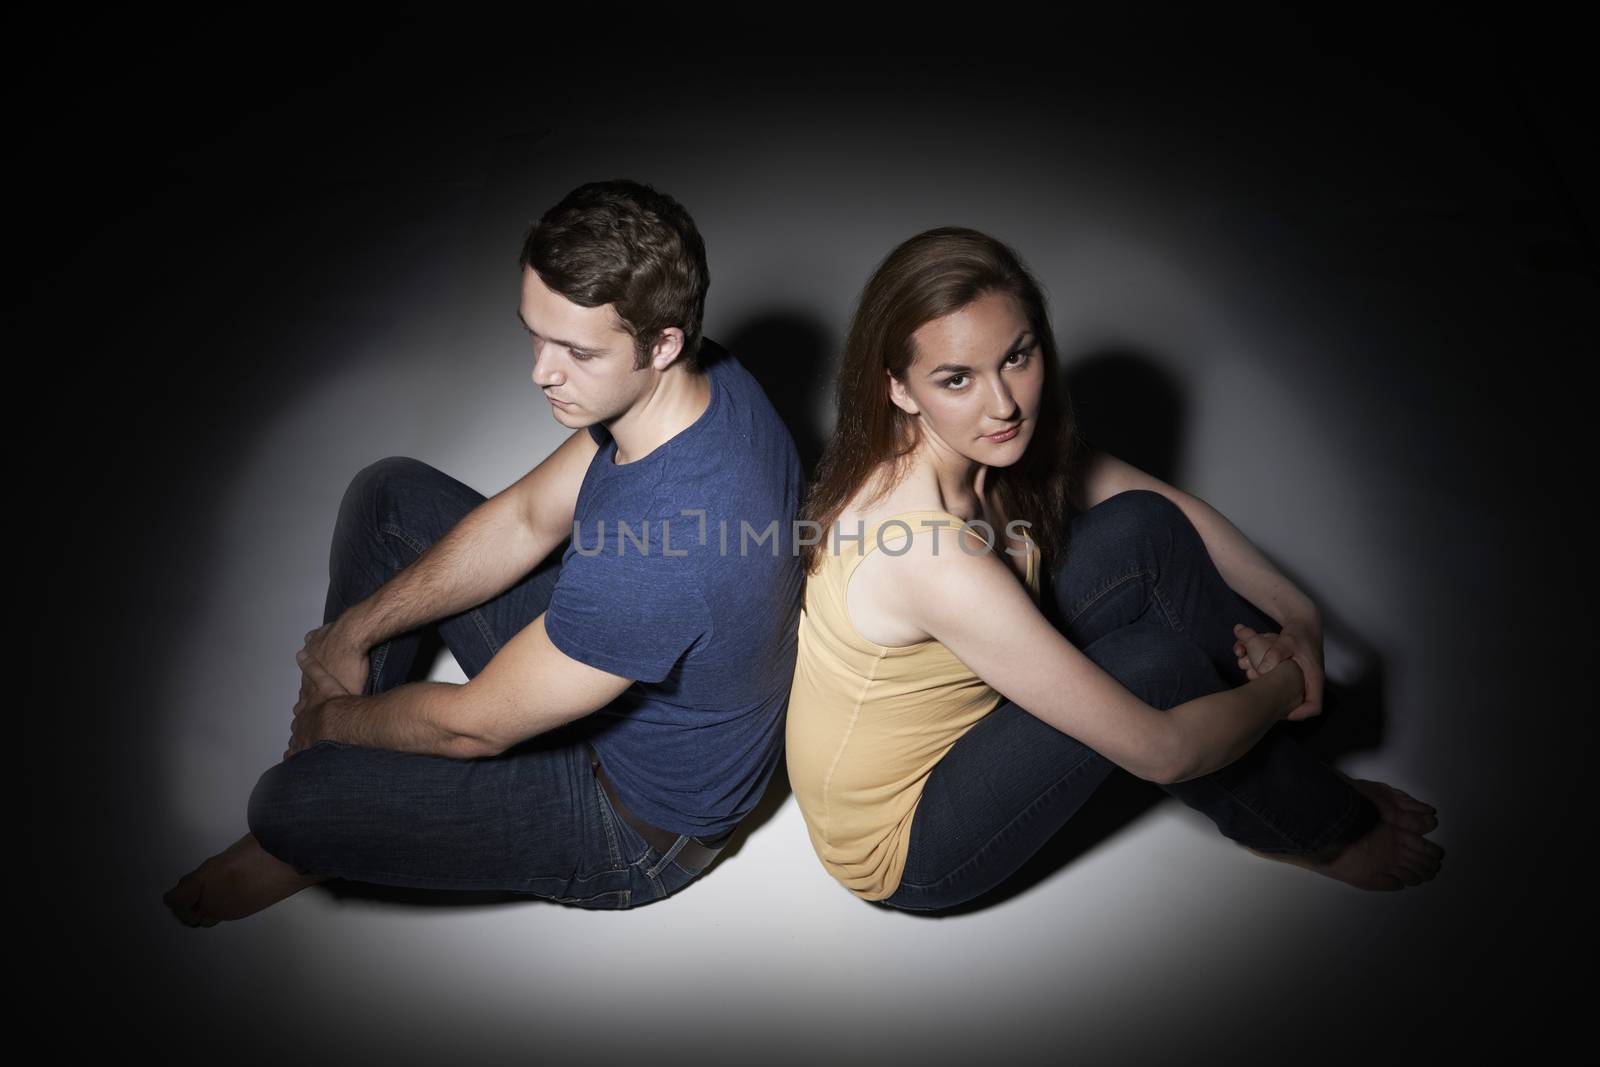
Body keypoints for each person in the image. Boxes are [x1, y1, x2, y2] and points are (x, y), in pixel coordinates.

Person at [164, 179, 806, 923]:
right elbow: (530, 516)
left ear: (662, 343)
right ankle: (353, 787)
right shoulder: (699, 378)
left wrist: (329, 721)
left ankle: (324, 812)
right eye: (535, 332)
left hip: (635, 826)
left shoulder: (664, 551)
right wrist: (352, 633)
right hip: (599, 681)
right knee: (389, 497)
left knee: (282, 805)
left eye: (576, 351)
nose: (541, 370)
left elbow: (475, 724)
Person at [785, 226, 1444, 910]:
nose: (1004, 404)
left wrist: (1298, 618)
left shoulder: (985, 446)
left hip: (971, 697)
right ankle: (1316, 826)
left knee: (1144, 528)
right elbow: (1161, 752)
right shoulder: (930, 550)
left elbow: (1168, 509)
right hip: (906, 838)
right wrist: (1283, 682)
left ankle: (1285, 757)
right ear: (900, 388)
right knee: (1150, 670)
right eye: (957, 378)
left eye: (1017, 357)